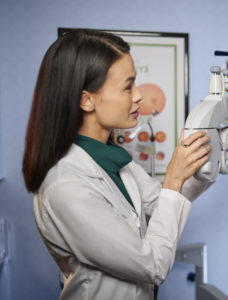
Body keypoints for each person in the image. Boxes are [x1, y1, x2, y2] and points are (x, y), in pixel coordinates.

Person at [23, 29, 213, 300]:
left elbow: (165, 203)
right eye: (128, 86)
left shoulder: (112, 160)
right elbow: (153, 266)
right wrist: (173, 177)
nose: (139, 96)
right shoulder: (65, 185)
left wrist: (209, 159)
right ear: (86, 99)